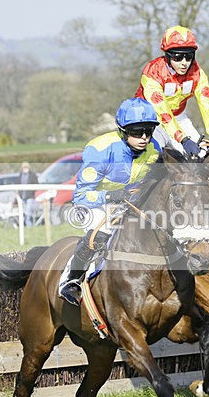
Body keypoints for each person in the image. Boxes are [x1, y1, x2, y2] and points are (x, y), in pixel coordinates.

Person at [58, 97, 161, 305]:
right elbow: (80, 195)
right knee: (102, 234)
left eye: (148, 131)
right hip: (94, 204)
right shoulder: (100, 150)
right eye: (136, 132)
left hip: (129, 204)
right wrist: (110, 196)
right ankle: (71, 280)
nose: (144, 137)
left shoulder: (154, 149)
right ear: (123, 131)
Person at [135, 25, 209, 156]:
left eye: (189, 56)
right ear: (167, 56)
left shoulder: (197, 73)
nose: (184, 63)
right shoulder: (153, 72)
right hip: (149, 120)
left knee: (202, 155)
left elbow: (206, 104)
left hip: (178, 116)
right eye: (178, 57)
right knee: (152, 159)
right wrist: (183, 139)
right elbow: (162, 112)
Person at [17, 162, 39, 226]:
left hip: (30, 196)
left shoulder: (32, 175)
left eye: (26, 167)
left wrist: (31, 191)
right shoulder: (20, 175)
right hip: (22, 196)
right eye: (24, 167)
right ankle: (23, 225)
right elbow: (18, 184)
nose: (25, 169)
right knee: (23, 211)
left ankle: (29, 225)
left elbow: (36, 184)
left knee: (28, 211)